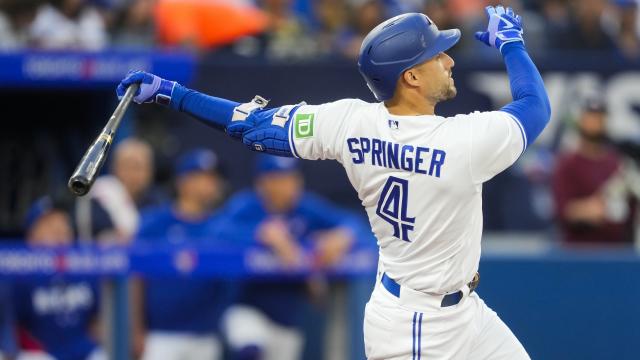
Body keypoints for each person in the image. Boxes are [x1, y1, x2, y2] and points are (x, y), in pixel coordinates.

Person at [117, 4, 550, 359]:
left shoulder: (349, 123)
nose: (449, 59)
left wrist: (174, 93)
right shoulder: (465, 142)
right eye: (437, 55)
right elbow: (534, 105)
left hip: (456, 311)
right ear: (411, 76)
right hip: (419, 327)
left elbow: (250, 125)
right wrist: (511, 43)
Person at [213, 155, 354, 360]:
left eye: (291, 178)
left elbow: (353, 223)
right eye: (277, 179)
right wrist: (260, 233)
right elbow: (216, 230)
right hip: (248, 305)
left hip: (288, 314)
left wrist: (342, 236)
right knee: (250, 347)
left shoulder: (306, 207)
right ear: (262, 183)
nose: (286, 185)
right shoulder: (248, 206)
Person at [135, 149, 228, 360]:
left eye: (213, 179)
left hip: (205, 336)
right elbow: (135, 279)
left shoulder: (222, 226)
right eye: (203, 178)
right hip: (161, 335)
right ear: (183, 181)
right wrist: (135, 328)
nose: (211, 185)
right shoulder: (153, 223)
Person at [12, 197, 104, 360]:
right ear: (31, 236)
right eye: (50, 225)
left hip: (85, 351)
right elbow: (12, 326)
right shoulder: (20, 273)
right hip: (40, 353)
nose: (59, 231)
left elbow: (100, 317)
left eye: (63, 224)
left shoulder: (84, 267)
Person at [553, 99, 634, 244]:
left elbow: (630, 209)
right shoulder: (567, 164)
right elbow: (562, 211)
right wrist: (589, 209)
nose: (595, 123)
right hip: (580, 253)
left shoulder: (618, 163)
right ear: (581, 121)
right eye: (590, 118)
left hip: (618, 253)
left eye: (599, 118)